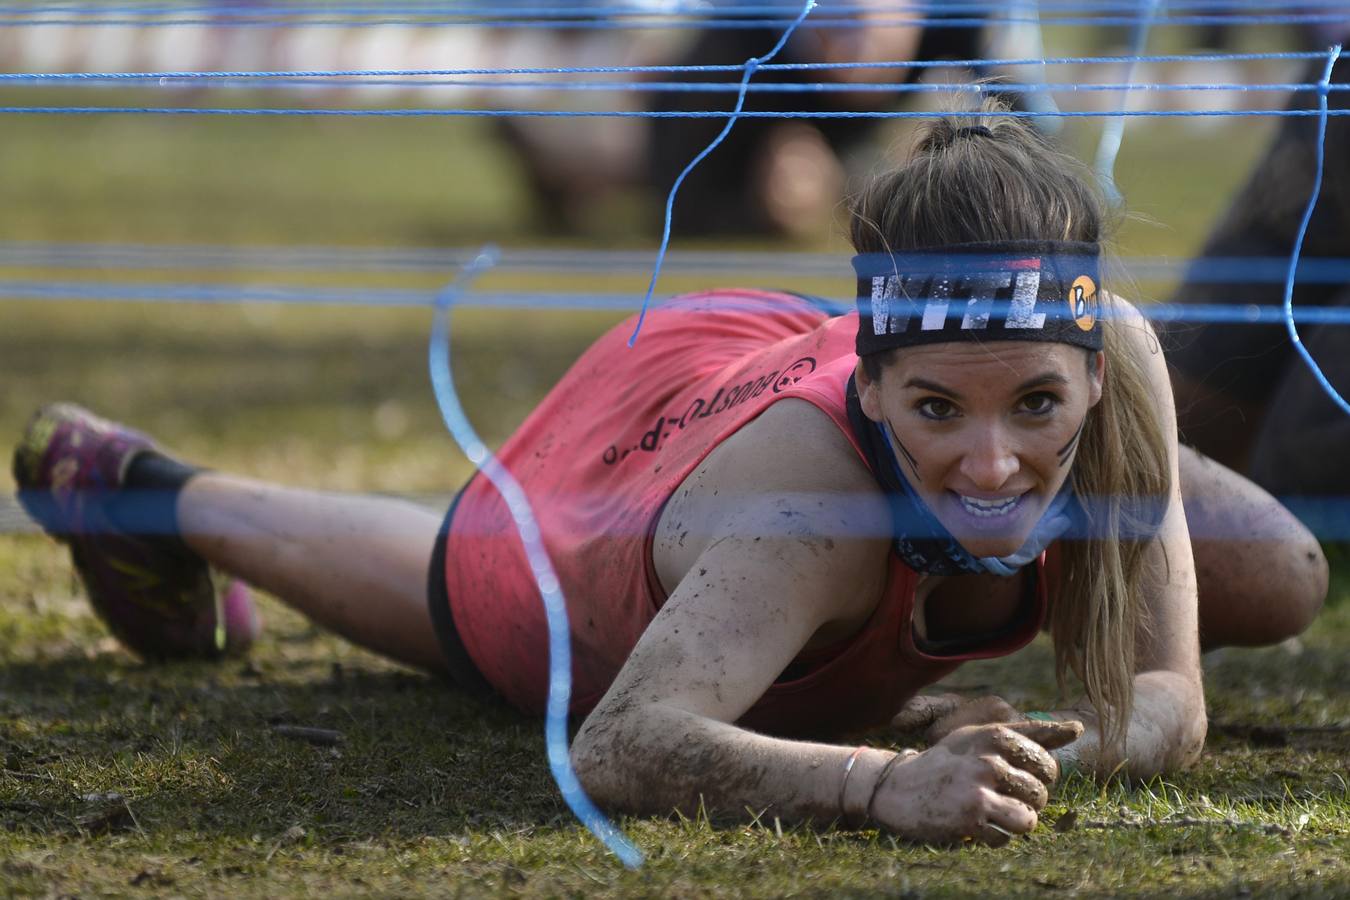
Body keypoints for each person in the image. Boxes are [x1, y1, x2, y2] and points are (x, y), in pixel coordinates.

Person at [12, 103, 1328, 846]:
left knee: (1273, 573)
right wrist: (879, 785)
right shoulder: (801, 514)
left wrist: (1088, 739)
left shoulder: (1119, 357)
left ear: (1098, 369)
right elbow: (624, 745)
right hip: (657, 466)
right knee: (477, 587)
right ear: (873, 387)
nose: (993, 463)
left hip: (790, 350)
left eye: (1039, 402)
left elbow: (1170, 694)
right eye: (936, 411)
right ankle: (149, 488)